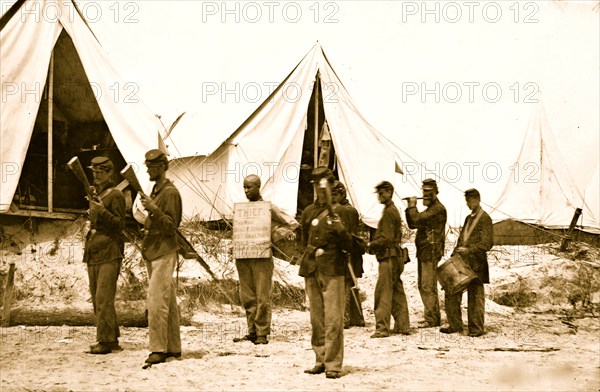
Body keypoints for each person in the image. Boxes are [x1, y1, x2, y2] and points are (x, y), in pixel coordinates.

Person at [299, 167, 352, 379]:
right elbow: (303, 240)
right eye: (316, 185)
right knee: (316, 320)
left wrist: (339, 229)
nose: (321, 190)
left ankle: (333, 364)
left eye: (324, 185)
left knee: (333, 320)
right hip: (312, 268)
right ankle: (319, 359)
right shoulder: (308, 212)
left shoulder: (344, 212)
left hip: (334, 269)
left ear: (331, 185)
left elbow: (351, 245)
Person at [233, 174, 299, 345]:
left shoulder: (268, 208)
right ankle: (252, 331)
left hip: (262, 256)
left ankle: (262, 332)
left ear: (258, 187)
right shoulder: (242, 210)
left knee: (262, 295)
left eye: (250, 187)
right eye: (245, 187)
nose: (247, 190)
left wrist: (271, 236)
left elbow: (292, 223)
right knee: (247, 295)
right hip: (244, 256)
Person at [139, 149, 182, 365]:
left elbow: (171, 226)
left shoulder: (170, 193)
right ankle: (173, 346)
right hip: (154, 249)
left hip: (164, 249)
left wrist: (154, 209)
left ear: (162, 167)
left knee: (156, 301)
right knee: (168, 301)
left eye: (151, 166)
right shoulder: (157, 190)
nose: (147, 169)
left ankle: (158, 349)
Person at [83, 156, 126, 354]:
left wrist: (102, 210)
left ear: (110, 173)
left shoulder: (116, 195)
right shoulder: (96, 194)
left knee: (103, 299)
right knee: (96, 298)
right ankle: (111, 339)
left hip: (110, 251)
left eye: (101, 171)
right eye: (94, 171)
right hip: (94, 251)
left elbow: (119, 225)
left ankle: (105, 341)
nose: (97, 175)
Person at [441, 188, 493, 337]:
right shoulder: (468, 218)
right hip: (463, 262)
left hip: (477, 264)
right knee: (451, 291)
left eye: (470, 201)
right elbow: (462, 238)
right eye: (467, 201)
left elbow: (488, 243)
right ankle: (455, 324)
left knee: (475, 297)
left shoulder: (485, 218)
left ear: (477, 200)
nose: (468, 204)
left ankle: (476, 328)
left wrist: (469, 250)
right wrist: (455, 254)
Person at [365, 181, 410, 338]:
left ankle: (382, 328)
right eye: (379, 193)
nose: (380, 196)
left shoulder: (390, 211)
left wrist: (371, 244)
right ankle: (403, 326)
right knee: (397, 292)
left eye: (382, 193)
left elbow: (387, 238)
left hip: (389, 257)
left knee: (383, 293)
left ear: (390, 192)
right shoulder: (391, 210)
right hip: (395, 257)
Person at [405, 178, 447, 328]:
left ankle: (432, 319)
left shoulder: (438, 209)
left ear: (436, 192)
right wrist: (410, 208)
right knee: (423, 285)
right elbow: (413, 224)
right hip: (424, 251)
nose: (425, 194)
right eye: (424, 191)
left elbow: (416, 219)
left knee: (428, 285)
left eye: (429, 192)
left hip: (431, 251)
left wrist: (412, 206)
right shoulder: (430, 209)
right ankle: (430, 316)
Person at [331, 181, 365, 329]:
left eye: (335, 194)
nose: (332, 198)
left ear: (342, 194)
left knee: (345, 286)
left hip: (347, 253)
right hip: (350, 252)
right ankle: (355, 318)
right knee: (349, 285)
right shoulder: (349, 210)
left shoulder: (344, 210)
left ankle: (345, 319)